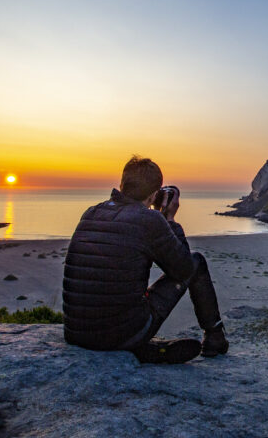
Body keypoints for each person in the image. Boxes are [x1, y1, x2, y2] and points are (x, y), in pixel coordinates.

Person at [62, 155, 228, 364]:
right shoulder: (149, 220)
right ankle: (215, 337)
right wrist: (169, 220)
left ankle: (145, 349)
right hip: (122, 334)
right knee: (196, 262)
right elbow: (183, 270)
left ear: (122, 184)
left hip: (76, 333)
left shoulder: (91, 213)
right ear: (153, 195)